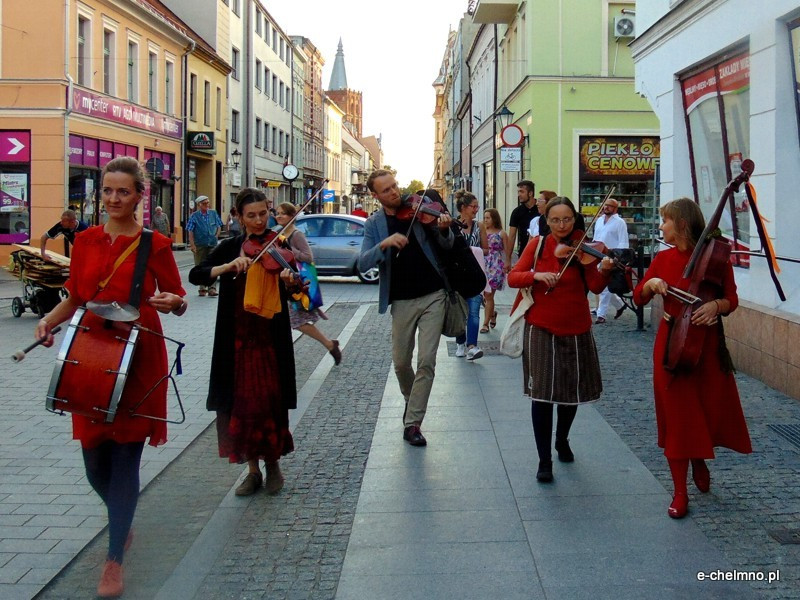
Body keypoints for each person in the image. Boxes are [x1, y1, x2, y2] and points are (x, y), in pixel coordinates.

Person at [34, 156, 187, 598]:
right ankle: (122, 519)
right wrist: (48, 322)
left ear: (141, 195)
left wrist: (171, 302)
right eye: (107, 190)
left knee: (125, 457)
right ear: (100, 194)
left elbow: (178, 300)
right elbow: (77, 298)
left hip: (138, 355)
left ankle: (114, 557)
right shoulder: (83, 241)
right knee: (94, 461)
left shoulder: (154, 243)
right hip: (90, 352)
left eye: (124, 191)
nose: (114, 199)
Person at [633, 198, 752, 519]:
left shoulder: (716, 258)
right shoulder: (663, 259)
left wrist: (716, 307)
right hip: (671, 345)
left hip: (707, 347)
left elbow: (732, 299)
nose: (662, 226)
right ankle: (680, 491)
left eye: (666, 221)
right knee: (677, 416)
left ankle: (699, 458)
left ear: (682, 224)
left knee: (704, 408)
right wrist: (651, 283)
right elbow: (638, 295)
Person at [189, 188, 299, 498]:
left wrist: (291, 283)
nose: (260, 220)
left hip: (269, 341)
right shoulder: (230, 247)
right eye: (251, 215)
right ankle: (252, 471)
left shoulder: (279, 244)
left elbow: (299, 292)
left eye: (264, 213)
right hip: (236, 341)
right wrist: (225, 268)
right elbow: (197, 275)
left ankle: (273, 465)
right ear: (239, 217)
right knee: (241, 408)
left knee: (268, 404)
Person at [508, 196, 615, 483]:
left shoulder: (585, 248)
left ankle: (562, 439)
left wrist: (604, 270)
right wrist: (537, 275)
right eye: (555, 220)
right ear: (547, 221)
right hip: (541, 327)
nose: (562, 225)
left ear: (574, 218)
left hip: (576, 326)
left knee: (570, 394)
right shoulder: (538, 244)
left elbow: (595, 285)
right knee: (542, 395)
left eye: (567, 219)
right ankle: (544, 460)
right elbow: (513, 277)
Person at [358, 170, 454, 447]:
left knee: (426, 360)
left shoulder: (418, 212)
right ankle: (411, 402)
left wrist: (445, 228)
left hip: (433, 294)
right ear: (375, 196)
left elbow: (446, 245)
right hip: (400, 300)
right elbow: (362, 263)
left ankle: (413, 423)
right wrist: (384, 244)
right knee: (401, 363)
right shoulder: (374, 224)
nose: (394, 192)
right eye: (386, 190)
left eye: (395, 186)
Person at [275, 201, 342, 364]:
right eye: (277, 212)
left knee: (298, 322)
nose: (278, 216)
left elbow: (308, 257)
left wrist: (289, 249)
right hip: (281, 282)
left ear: (292, 216)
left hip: (296, 283)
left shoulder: (296, 235)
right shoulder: (278, 233)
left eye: (283, 213)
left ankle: (329, 344)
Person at [452, 190, 484, 361]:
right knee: (460, 312)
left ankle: (472, 346)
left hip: (475, 275)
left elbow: (486, 249)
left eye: (477, 206)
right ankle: (460, 342)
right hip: (458, 277)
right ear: (463, 207)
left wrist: (475, 251)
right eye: (474, 206)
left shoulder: (480, 226)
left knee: (473, 312)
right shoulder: (452, 225)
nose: (476, 209)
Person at [592, 198, 629, 324]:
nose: (606, 207)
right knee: (603, 284)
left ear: (615, 209)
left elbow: (623, 241)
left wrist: (619, 258)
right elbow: (596, 238)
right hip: (598, 254)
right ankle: (619, 305)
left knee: (605, 287)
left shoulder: (620, 223)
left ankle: (601, 315)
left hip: (612, 255)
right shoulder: (599, 221)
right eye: (605, 205)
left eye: (610, 206)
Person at [186, 195, 223, 297]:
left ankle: (212, 288)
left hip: (212, 243)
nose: (207, 205)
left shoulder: (213, 213)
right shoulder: (194, 216)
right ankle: (202, 288)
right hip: (200, 244)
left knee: (213, 265)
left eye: (208, 202)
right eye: (205, 203)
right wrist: (192, 245)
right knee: (200, 265)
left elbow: (219, 225)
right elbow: (190, 231)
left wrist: (216, 235)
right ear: (199, 205)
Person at [482, 208, 508, 332]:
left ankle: (485, 324)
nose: (485, 220)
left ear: (494, 219)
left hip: (496, 265)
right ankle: (492, 315)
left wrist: (507, 264)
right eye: (484, 218)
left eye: (488, 218)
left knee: (489, 295)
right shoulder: (482, 231)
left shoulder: (501, 233)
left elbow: (507, 252)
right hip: (483, 264)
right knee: (483, 296)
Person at [507, 180, 538, 260]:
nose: (519, 195)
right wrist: (508, 258)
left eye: (522, 192)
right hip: (524, 253)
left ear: (530, 193)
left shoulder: (541, 208)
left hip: (539, 252)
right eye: (518, 192)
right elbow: (512, 236)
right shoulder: (517, 212)